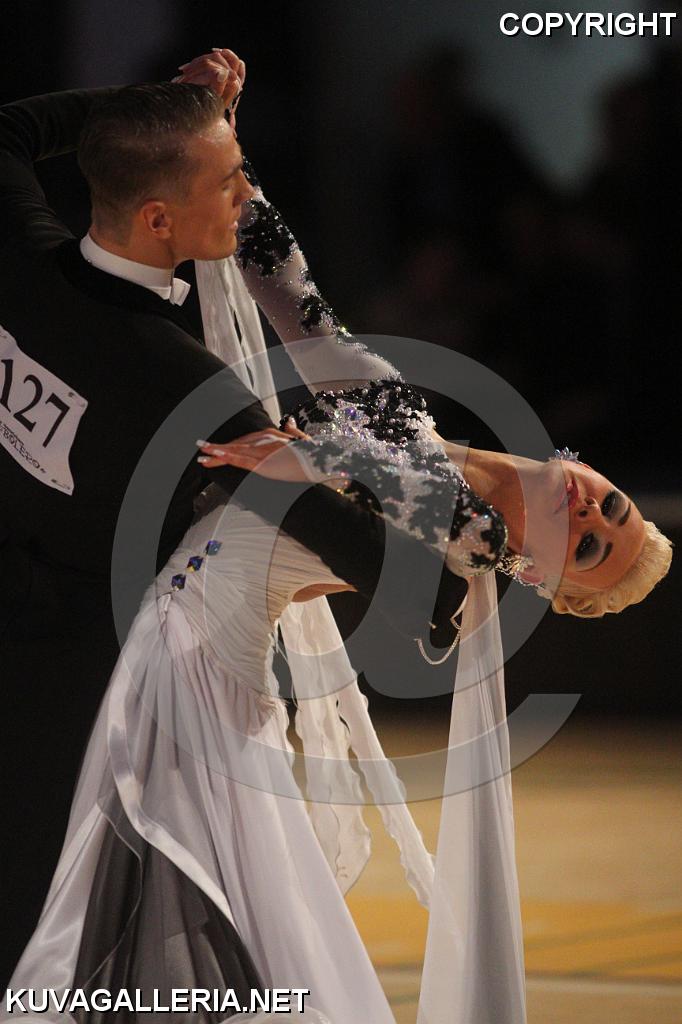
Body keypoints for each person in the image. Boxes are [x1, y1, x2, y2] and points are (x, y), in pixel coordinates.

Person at [0, 51, 466, 988]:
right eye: (229, 179)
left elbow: (9, 128)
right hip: (92, 690)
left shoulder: (19, 253)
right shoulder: (180, 383)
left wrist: (158, 106)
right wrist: (457, 586)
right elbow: (343, 537)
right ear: (158, 219)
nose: (250, 195)